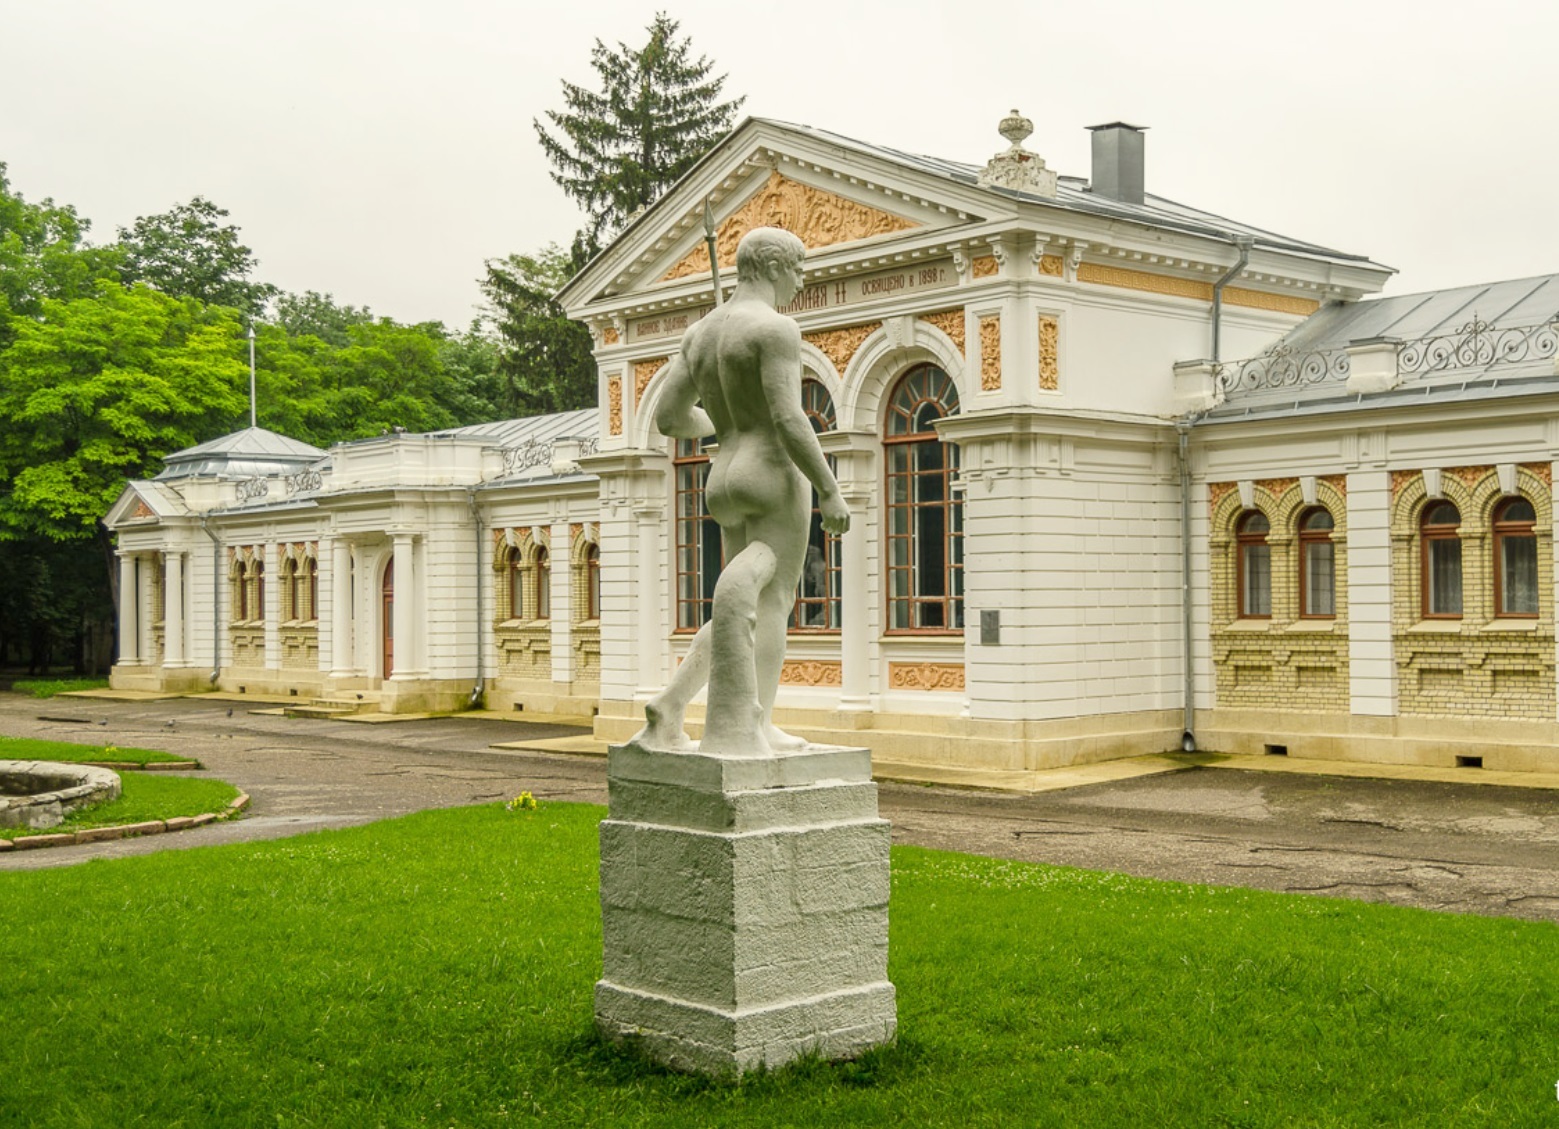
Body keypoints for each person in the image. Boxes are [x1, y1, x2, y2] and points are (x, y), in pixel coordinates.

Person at [635, 226, 849, 755]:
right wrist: (828, 488)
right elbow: (788, 417)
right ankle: (761, 722)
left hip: (724, 477)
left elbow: (668, 417)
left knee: (734, 605)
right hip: (772, 474)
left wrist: (719, 426)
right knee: (773, 601)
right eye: (798, 269)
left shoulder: (699, 334)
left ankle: (670, 704)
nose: (800, 282)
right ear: (774, 266)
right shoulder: (776, 329)